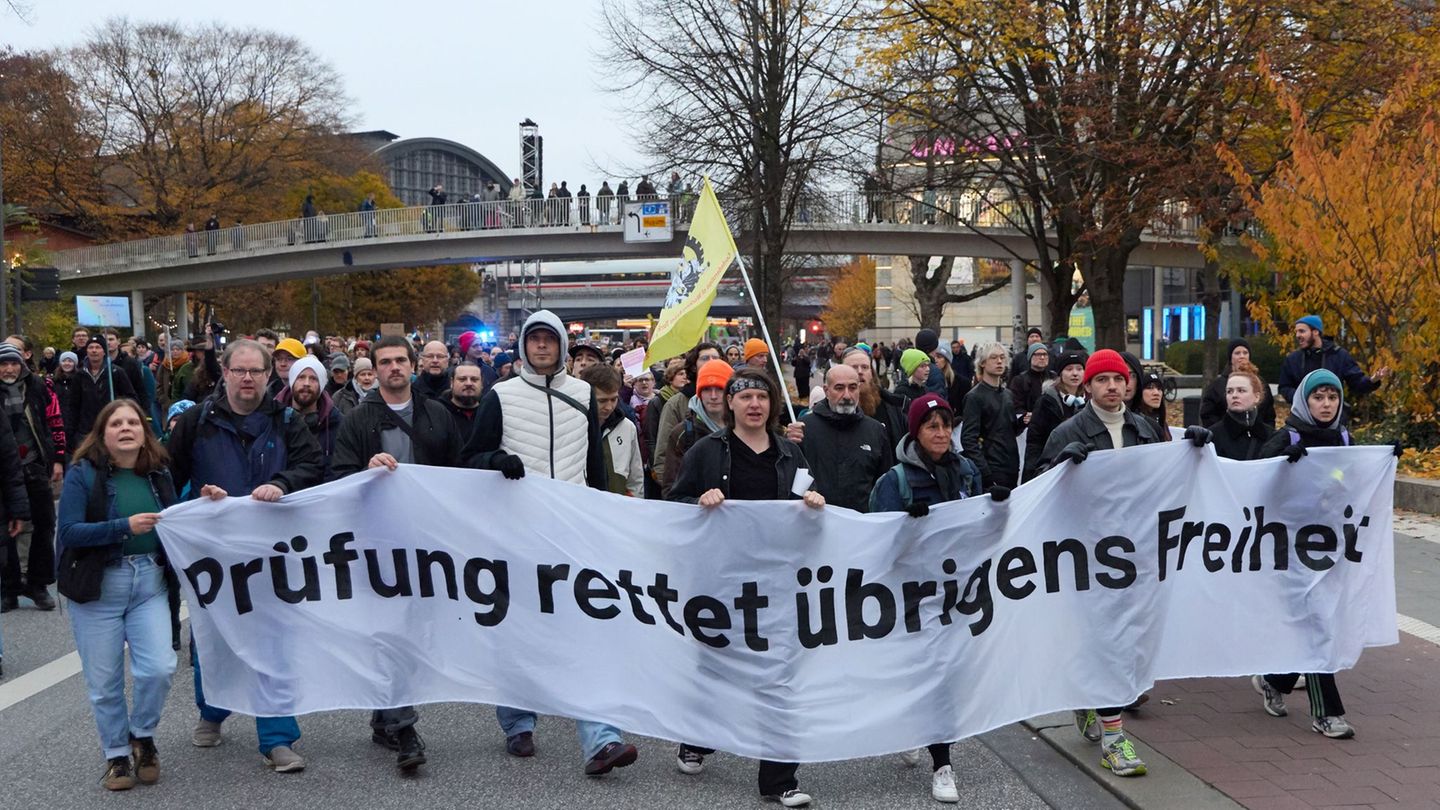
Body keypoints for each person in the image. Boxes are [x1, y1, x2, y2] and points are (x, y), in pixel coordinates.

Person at [460, 310, 640, 775]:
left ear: (562, 346)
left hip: (573, 533)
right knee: (519, 632)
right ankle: (518, 720)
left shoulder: (583, 395)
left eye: (550, 340)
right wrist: (498, 459)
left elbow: (596, 469)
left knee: (585, 631)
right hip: (517, 534)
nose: (542, 347)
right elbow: (471, 458)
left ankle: (601, 738)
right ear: (524, 347)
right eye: (534, 340)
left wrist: (603, 516)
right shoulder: (500, 395)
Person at [1038, 349, 1211, 778]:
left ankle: (1089, 698)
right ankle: (1115, 738)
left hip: (1136, 554)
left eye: (1119, 379)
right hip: (1088, 555)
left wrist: (1194, 451)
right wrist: (1060, 465)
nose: (1113, 387)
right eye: (1103, 380)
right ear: (1087, 386)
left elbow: (1164, 484)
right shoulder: (1067, 432)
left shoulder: (1146, 429)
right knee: (1103, 639)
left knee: (1124, 639)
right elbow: (1037, 490)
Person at [668, 367, 825, 808]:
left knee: (778, 675)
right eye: (745, 397)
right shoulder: (706, 452)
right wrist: (697, 501)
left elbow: (810, 505)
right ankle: (697, 739)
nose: (754, 404)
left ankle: (780, 778)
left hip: (776, 582)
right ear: (730, 404)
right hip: (720, 581)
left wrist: (814, 504)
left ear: (772, 405)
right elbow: (671, 504)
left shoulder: (791, 454)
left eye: (761, 397)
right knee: (715, 666)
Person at [167, 339, 323, 773]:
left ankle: (278, 739)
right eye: (240, 371)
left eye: (257, 371)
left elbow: (313, 466)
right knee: (212, 640)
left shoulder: (287, 421)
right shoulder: (196, 422)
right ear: (225, 372)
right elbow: (166, 477)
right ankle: (213, 710)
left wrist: (284, 483)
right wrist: (194, 498)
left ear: (269, 376)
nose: (249, 379)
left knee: (273, 641)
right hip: (213, 555)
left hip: (271, 552)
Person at [330, 336, 464, 773]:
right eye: (383, 362)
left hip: (425, 544)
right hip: (377, 543)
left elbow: (459, 475)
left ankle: (383, 717)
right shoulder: (357, 420)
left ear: (413, 365)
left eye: (400, 361)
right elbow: (338, 476)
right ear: (372, 369)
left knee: (411, 630)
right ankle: (405, 728)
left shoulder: (437, 414)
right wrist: (364, 471)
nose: (392, 368)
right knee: (391, 633)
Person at [1251, 369, 1390, 740]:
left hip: (1331, 547)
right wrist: (1282, 459)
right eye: (1318, 397)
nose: (1326, 404)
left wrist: (1384, 460)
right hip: (1289, 550)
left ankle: (1274, 679)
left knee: (1318, 624)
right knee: (1318, 628)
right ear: (1304, 401)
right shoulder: (1288, 435)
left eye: (1332, 397)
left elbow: (1353, 481)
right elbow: (1256, 484)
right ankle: (1327, 714)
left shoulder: (1344, 437)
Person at [56, 399, 180, 790]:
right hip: (98, 589)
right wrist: (122, 526)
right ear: (102, 433)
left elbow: (175, 522)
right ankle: (116, 756)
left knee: (159, 667)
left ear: (144, 433)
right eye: (116, 424)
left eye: (133, 423)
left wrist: (205, 505)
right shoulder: (83, 474)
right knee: (105, 681)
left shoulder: (157, 473)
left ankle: (142, 735)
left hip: (149, 584)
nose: (126, 428)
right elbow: (70, 532)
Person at [0, 342, 64, 611]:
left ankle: (38, 585)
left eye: (13, 363)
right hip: (4, 471)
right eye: (3, 364)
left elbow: (56, 421)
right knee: (6, 532)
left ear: (22, 364)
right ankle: (9, 588)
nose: (9, 368)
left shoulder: (39, 387)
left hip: (35, 465)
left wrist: (58, 458)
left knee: (44, 525)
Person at [799, 364, 892, 512]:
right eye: (839, 388)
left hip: (862, 525)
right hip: (816, 522)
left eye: (853, 387)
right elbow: (793, 483)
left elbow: (884, 484)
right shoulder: (805, 429)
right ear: (826, 391)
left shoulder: (876, 431)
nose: (847, 395)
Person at [1276, 315, 1389, 404]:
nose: (1297, 335)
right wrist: (1302, 398)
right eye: (1296, 332)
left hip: (1332, 419)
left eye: (1302, 331)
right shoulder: (1293, 359)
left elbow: (1356, 383)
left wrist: (1372, 380)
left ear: (1315, 332)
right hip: (1301, 419)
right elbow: (1284, 387)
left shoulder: (1339, 355)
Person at [662, 359, 731, 496]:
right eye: (706, 389)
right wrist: (698, 502)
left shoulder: (745, 431)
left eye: (719, 389)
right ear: (699, 393)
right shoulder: (682, 433)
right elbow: (671, 492)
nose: (713, 396)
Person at [961, 343, 1023, 489]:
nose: (999, 361)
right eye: (994, 357)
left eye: (1002, 357)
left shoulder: (1008, 394)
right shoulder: (974, 397)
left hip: (1011, 466)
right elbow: (968, 439)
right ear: (982, 363)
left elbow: (1010, 430)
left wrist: (1023, 422)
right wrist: (985, 472)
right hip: (991, 468)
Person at [1022, 351, 1086, 482]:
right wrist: (1033, 473)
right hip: (1052, 466)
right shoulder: (1046, 401)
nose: (1075, 373)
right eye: (1069, 369)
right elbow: (1035, 441)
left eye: (1079, 369)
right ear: (1060, 374)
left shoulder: (1088, 400)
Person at [275, 356, 342, 480]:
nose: (306, 383)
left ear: (321, 385)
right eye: (301, 377)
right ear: (292, 381)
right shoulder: (272, 418)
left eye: (313, 379)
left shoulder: (338, 423)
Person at [580, 365, 643, 496]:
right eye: (602, 401)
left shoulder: (627, 427)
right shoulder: (575, 426)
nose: (609, 407)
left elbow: (635, 477)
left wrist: (635, 505)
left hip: (620, 507)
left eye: (614, 399)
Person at [65, 336, 138, 450]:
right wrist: (70, 433)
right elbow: (73, 405)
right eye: (91, 347)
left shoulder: (116, 372)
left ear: (104, 351)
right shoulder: (79, 375)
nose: (94, 350)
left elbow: (130, 398)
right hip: (86, 431)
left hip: (111, 427)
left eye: (98, 347)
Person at [1206, 360, 1274, 461]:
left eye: (1241, 390)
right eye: (1229, 391)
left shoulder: (1271, 436)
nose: (1234, 395)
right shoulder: (1212, 437)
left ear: (1256, 397)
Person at [1199, 339, 1276, 427]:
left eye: (1245, 353)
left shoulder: (1261, 383)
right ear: (1230, 357)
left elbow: (1269, 415)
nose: (1242, 356)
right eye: (1237, 353)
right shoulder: (1217, 385)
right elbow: (1208, 415)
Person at [440, 362, 485, 441]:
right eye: (462, 379)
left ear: (482, 383)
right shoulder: (438, 412)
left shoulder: (489, 412)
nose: (468, 383)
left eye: (474, 379)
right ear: (452, 382)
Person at [1008, 343, 1054, 418]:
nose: (1042, 357)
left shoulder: (1054, 378)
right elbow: (1016, 406)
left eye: (1045, 354)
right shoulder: (1019, 381)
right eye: (1038, 354)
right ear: (1030, 357)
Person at [1131, 371, 1171, 440]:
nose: (1156, 393)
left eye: (1159, 388)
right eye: (1150, 387)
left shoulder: (1161, 420)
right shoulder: (1134, 421)